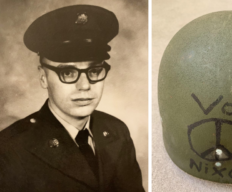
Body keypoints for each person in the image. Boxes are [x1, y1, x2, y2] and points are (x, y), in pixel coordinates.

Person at [0, 5, 144, 192]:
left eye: (94, 71)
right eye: (67, 72)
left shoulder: (117, 131)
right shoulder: (11, 149)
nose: (84, 85)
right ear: (43, 76)